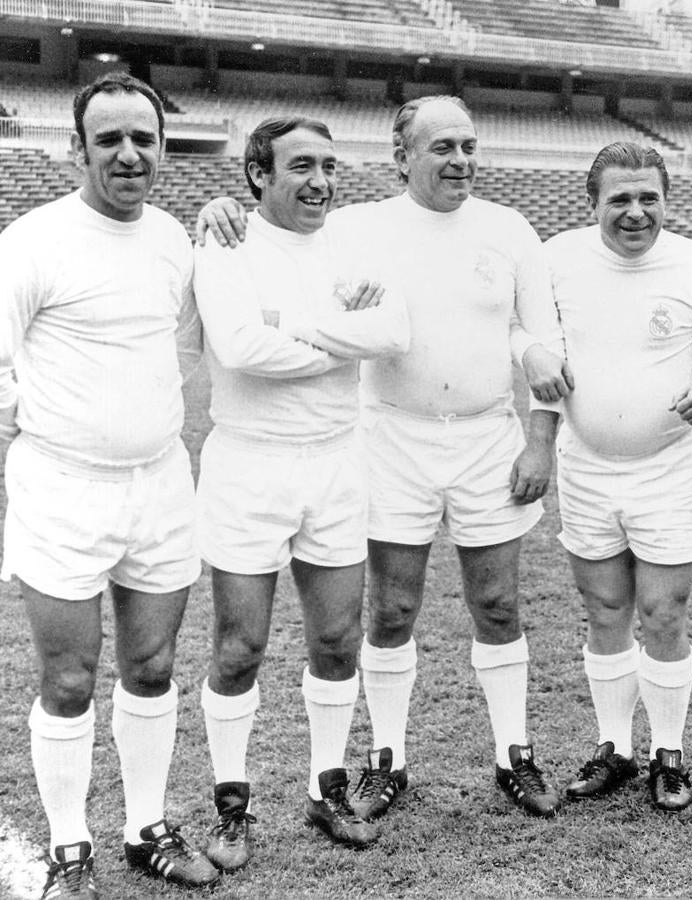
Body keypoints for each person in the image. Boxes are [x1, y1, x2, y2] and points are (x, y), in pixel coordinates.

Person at [196, 95, 570, 819]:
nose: (460, 161)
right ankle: (387, 759)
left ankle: (513, 754)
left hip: (488, 435)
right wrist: (217, 205)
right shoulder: (353, 227)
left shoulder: (511, 228)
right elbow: (269, 229)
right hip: (389, 438)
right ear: (402, 158)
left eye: (468, 146)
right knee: (391, 608)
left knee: (497, 603)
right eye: (442, 148)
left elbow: (540, 336)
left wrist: (541, 436)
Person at [0, 72, 218, 899]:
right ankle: (67, 847)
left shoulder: (171, 239)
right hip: (63, 489)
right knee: (66, 680)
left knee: (153, 666)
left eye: (144, 138)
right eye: (110, 139)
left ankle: (145, 828)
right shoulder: (32, 240)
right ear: (77, 148)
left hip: (160, 484)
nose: (129, 154)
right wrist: (34, 420)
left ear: (162, 147)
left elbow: (187, 348)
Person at [193, 116, 411, 871]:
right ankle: (231, 803)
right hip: (249, 466)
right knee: (240, 646)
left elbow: (395, 331)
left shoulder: (352, 243)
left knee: (335, 641)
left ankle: (326, 786)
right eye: (300, 166)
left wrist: (297, 328)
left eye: (328, 164)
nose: (320, 181)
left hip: (336, 462)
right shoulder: (225, 242)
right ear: (258, 174)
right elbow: (240, 348)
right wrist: (338, 332)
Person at [541, 142, 692, 812]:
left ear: (666, 200)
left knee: (662, 612)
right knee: (605, 611)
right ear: (591, 201)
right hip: (586, 467)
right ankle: (614, 747)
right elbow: (519, 329)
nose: (634, 211)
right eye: (619, 198)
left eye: (648, 197)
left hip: (670, 467)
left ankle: (669, 752)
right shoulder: (556, 260)